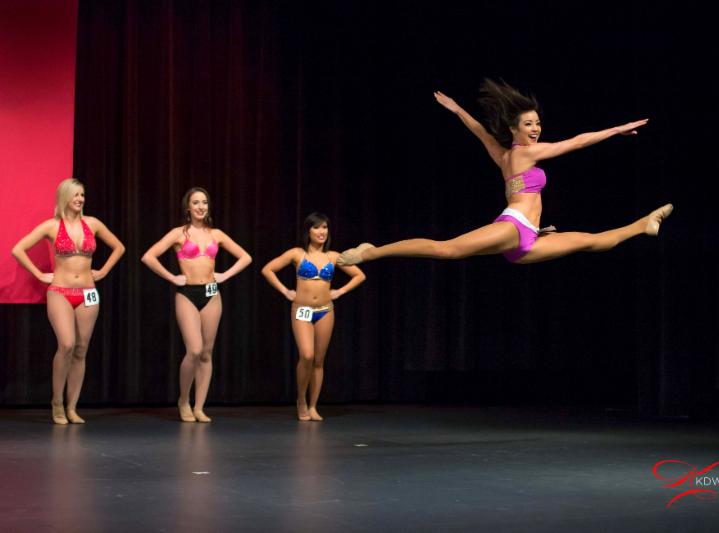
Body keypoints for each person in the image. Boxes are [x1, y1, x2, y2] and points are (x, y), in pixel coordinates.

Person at [338, 79, 672, 266]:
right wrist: (616, 130)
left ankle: (643, 224)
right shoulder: (527, 153)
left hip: (527, 239)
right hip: (515, 227)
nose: (536, 129)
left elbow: (480, 132)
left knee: (591, 242)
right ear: (514, 129)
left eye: (537, 123)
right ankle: (372, 251)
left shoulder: (504, 157)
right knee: (447, 249)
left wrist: (457, 110)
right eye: (529, 124)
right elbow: (577, 142)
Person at [11, 178, 125, 424]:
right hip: (60, 292)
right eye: (75, 195)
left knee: (81, 349)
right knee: (66, 344)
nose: (80, 199)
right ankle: (57, 402)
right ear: (64, 197)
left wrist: (104, 270)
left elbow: (119, 247)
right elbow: (17, 249)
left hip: (88, 293)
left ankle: (72, 407)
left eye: (82, 195)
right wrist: (39, 274)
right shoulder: (52, 226)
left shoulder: (92, 223)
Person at [141, 187, 251, 423]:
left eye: (204, 202)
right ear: (188, 207)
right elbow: (148, 256)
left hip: (211, 294)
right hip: (187, 294)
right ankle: (184, 400)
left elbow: (246, 257)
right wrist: (172, 277)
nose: (201, 207)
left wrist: (225, 275)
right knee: (194, 350)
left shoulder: (216, 234)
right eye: (196, 203)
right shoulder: (178, 234)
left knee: (206, 352)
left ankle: (199, 406)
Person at [262, 213, 365, 421]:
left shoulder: (333, 256)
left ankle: (313, 406)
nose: (321, 232)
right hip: (302, 310)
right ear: (308, 231)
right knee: (307, 355)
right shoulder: (297, 254)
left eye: (325, 227)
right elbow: (268, 269)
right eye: (317, 227)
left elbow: (360, 275)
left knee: (318, 360)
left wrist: (340, 291)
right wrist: (285, 291)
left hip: (325, 310)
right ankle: (301, 399)